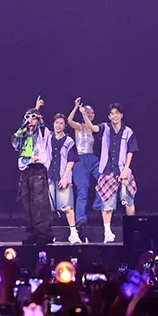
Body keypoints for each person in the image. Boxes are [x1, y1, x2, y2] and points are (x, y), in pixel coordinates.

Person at [92, 103, 138, 244]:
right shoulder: (105, 128)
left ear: (121, 115)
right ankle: (107, 233)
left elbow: (130, 151)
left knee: (128, 201)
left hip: (123, 170)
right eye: (112, 113)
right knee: (107, 205)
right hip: (107, 171)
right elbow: (93, 128)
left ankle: (132, 230)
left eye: (117, 113)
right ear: (109, 116)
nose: (115, 116)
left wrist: (126, 169)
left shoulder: (128, 132)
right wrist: (83, 115)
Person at [11, 98, 54, 246]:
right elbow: (15, 142)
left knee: (39, 203)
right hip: (26, 170)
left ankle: (43, 233)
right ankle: (32, 233)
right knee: (27, 202)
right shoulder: (23, 134)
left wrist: (37, 111)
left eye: (33, 117)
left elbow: (41, 124)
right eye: (27, 117)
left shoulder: (42, 132)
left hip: (38, 170)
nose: (30, 120)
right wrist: (25, 126)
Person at [66, 98, 100, 234]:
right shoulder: (79, 127)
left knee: (104, 179)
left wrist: (85, 115)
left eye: (92, 112)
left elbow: (92, 127)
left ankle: (98, 203)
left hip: (92, 158)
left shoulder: (94, 128)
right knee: (82, 189)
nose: (89, 114)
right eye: (87, 112)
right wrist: (76, 107)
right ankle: (80, 218)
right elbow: (69, 121)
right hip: (80, 159)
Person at [48, 112, 80, 243]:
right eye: (56, 123)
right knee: (47, 208)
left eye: (61, 123)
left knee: (68, 207)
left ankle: (73, 234)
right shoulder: (48, 137)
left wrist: (65, 177)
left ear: (65, 126)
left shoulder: (69, 141)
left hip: (63, 177)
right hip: (49, 177)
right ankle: (48, 234)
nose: (58, 125)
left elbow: (71, 160)